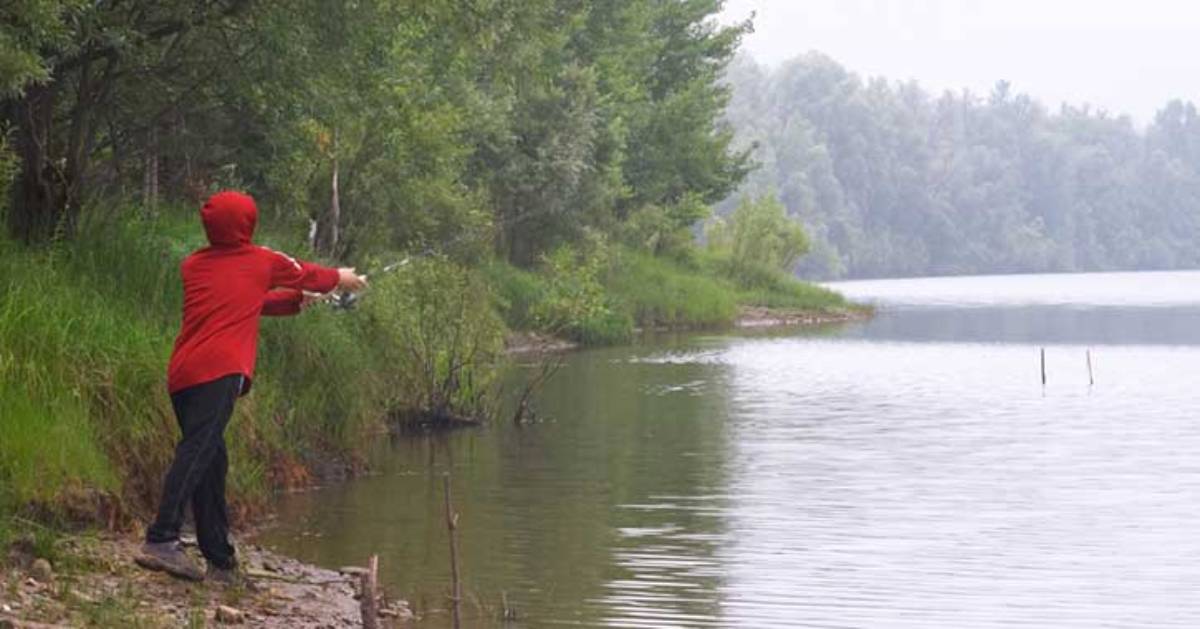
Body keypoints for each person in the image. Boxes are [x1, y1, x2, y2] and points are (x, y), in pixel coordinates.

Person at [135, 191, 366, 584]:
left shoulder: (194, 265)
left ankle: (221, 563)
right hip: (219, 372)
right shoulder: (261, 260)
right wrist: (341, 280)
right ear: (248, 224)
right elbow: (305, 271)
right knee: (197, 453)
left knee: (210, 462)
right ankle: (161, 539)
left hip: (183, 376)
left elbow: (246, 302)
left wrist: (294, 301)